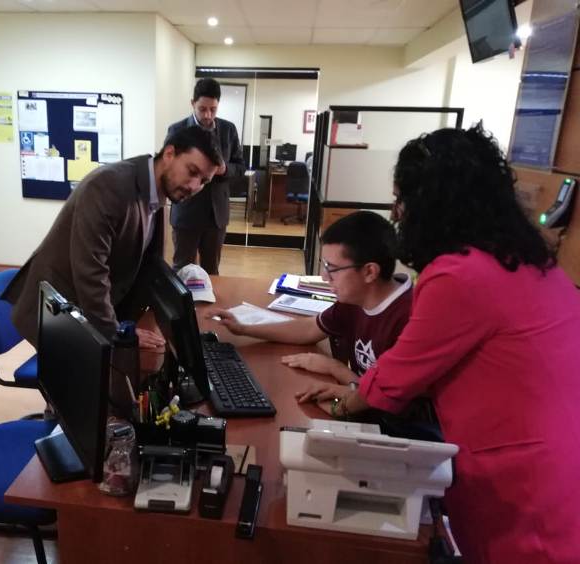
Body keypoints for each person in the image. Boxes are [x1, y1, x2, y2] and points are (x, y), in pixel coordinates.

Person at [297, 124, 580, 563]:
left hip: (526, 486)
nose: (397, 213)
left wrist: (341, 404)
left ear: (431, 203)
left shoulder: (459, 274)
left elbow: (394, 382)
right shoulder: (530, 261)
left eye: (401, 200)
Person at [3, 126, 223, 349]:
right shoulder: (109, 186)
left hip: (89, 312)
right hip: (58, 313)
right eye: (192, 171)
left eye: (204, 181)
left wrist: (176, 314)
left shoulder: (157, 191)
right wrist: (117, 332)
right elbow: (91, 273)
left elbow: (147, 263)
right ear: (169, 154)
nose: (195, 186)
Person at [210, 211, 413, 401]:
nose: (325, 277)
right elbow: (309, 329)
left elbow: (389, 401)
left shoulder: (410, 319)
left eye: (332, 268)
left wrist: (337, 370)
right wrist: (243, 328)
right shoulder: (354, 299)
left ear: (369, 272)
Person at [166, 77, 245, 275]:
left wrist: (224, 169)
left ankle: (209, 307)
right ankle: (181, 307)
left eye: (213, 109)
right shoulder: (177, 130)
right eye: (202, 109)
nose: (208, 115)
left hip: (216, 215)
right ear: (193, 103)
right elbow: (167, 171)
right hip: (186, 213)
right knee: (182, 270)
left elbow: (241, 167)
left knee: (212, 272)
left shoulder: (228, 130)